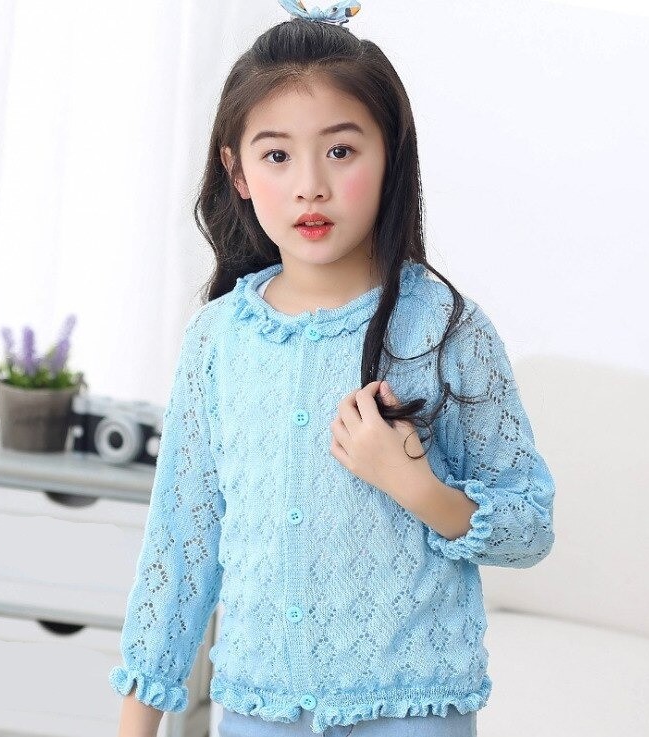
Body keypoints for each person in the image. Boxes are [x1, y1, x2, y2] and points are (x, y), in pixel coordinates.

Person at [109, 1, 556, 735]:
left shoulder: (446, 329)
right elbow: (180, 547)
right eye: (276, 155)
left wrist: (414, 486)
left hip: (414, 708)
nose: (309, 185)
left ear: (391, 156)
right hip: (256, 708)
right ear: (235, 170)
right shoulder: (218, 340)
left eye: (341, 151)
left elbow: (528, 526)